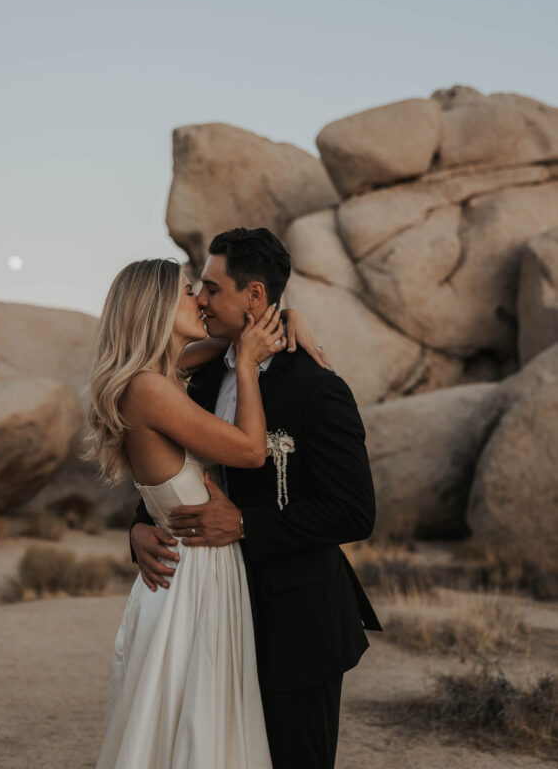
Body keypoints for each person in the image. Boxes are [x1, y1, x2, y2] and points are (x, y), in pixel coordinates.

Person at [131, 227, 382, 769]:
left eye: (212, 288)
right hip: (211, 615)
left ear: (255, 298)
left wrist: (245, 525)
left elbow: (355, 511)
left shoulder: (316, 388)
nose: (199, 299)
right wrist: (139, 528)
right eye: (196, 288)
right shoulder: (193, 379)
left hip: (295, 622)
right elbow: (175, 469)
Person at [84, 256, 325, 769]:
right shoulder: (149, 390)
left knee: (189, 724)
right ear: (155, 307)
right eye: (188, 292)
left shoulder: (160, 375)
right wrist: (244, 369)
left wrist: (287, 317)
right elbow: (250, 451)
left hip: (197, 568)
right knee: (194, 725)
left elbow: (228, 337)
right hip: (194, 577)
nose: (201, 301)